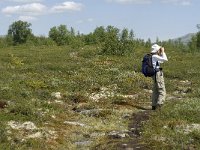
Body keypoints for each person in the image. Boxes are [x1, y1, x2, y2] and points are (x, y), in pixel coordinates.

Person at [151, 44, 168, 110]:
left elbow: (161, 61)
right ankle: (159, 105)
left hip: (154, 74)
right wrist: (163, 51)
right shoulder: (155, 56)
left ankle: (154, 105)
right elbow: (165, 59)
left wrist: (160, 53)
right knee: (162, 90)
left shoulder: (152, 56)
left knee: (155, 90)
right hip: (157, 74)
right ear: (156, 50)